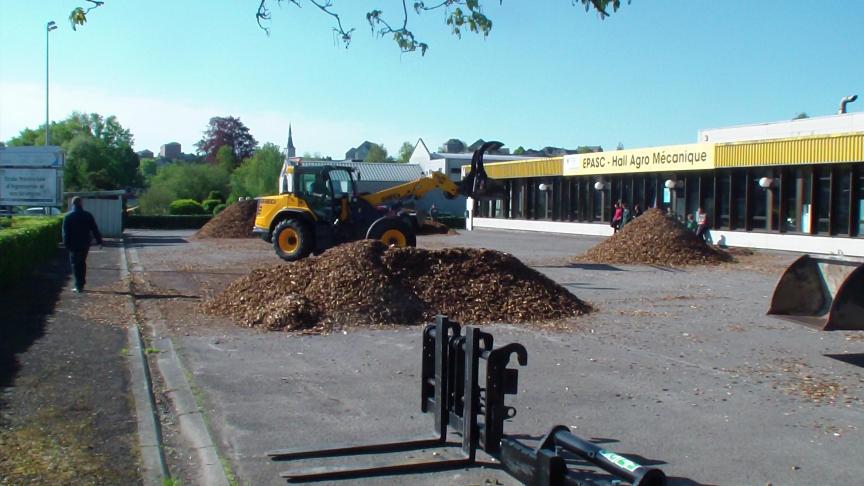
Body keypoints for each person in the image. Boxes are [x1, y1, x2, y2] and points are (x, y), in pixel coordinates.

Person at [62, 197, 103, 293]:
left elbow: (65, 232)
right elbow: (94, 229)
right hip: (85, 243)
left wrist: (66, 244)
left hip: (73, 244)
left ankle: (78, 285)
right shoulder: (88, 215)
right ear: (81, 204)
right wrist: (99, 241)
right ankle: (81, 283)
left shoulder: (68, 216)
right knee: (82, 262)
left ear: (73, 204)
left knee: (75, 264)